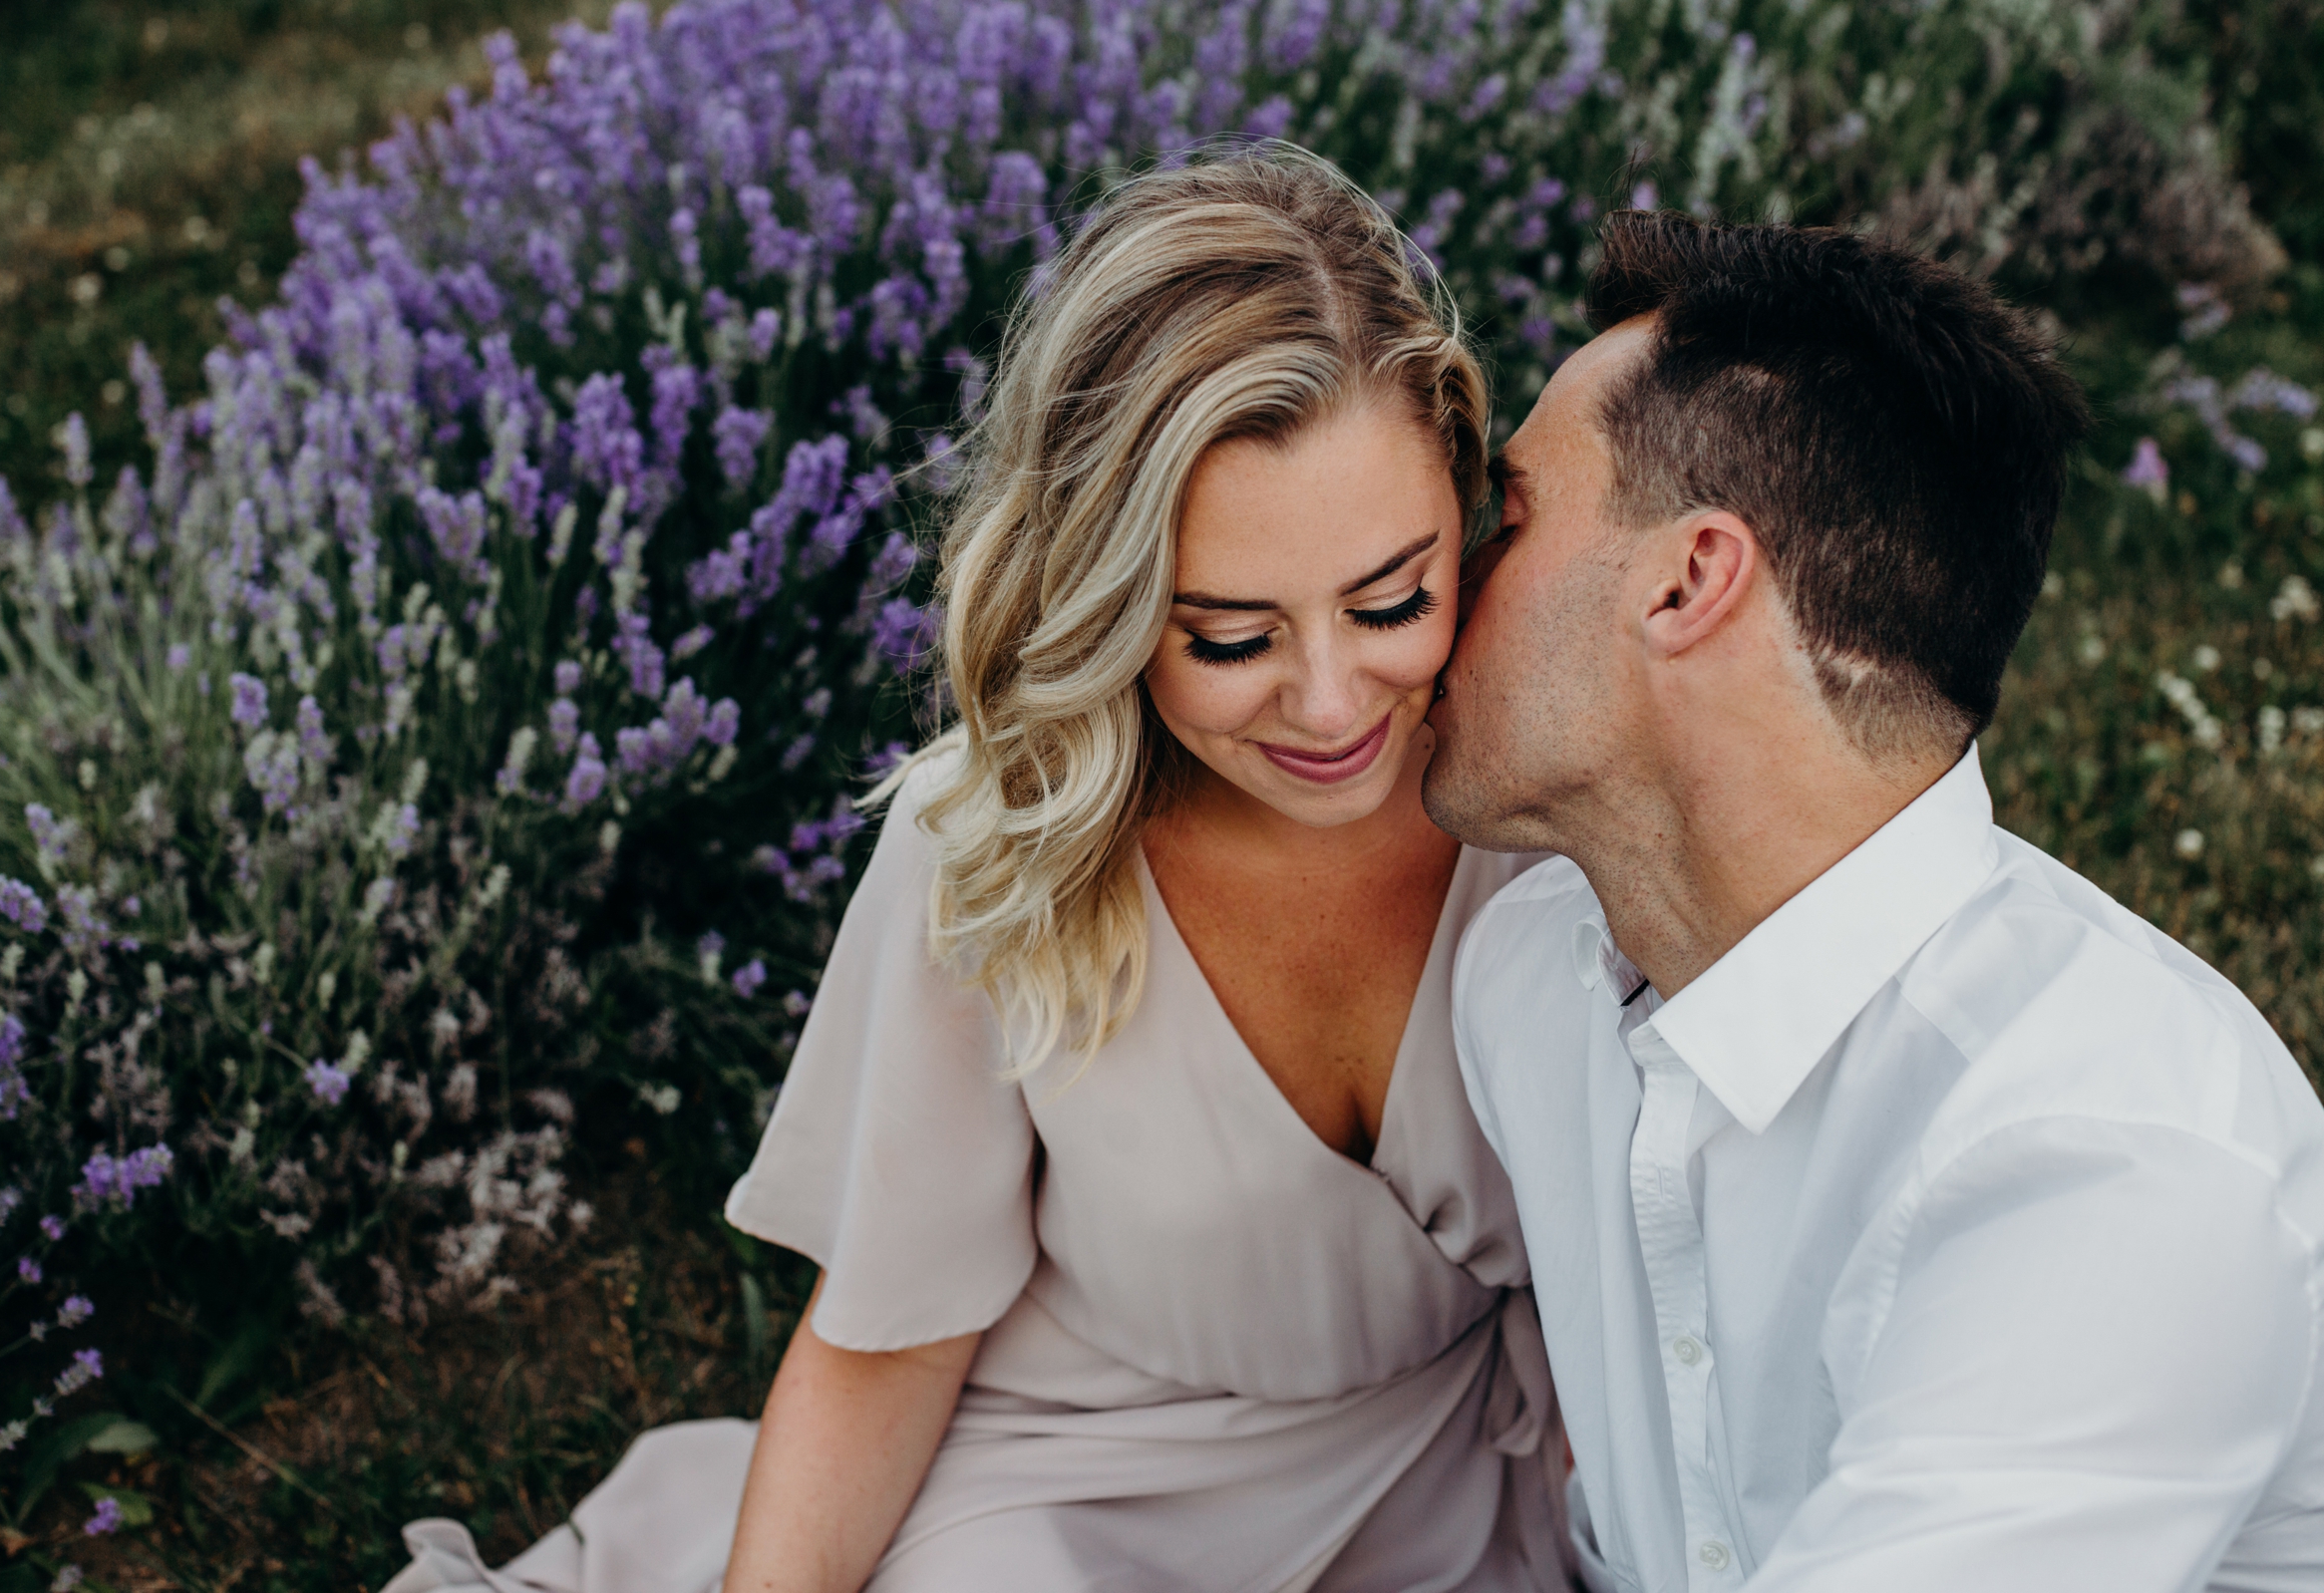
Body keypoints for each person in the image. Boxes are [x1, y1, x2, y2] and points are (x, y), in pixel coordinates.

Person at [381, 149, 1579, 1593]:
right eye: (1229, 637)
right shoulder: (999, 838)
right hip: (1077, 1484)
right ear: (1107, 598)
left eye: (1392, 598)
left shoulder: (1561, 800)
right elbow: (888, 1333)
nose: (1331, 706)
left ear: (1466, 506)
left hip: (1481, 1471)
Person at [1425, 208, 2324, 1592]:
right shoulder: (1524, 981)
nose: (1439, 591)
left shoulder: (2109, 1148)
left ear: (1688, 580)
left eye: (1513, 515)